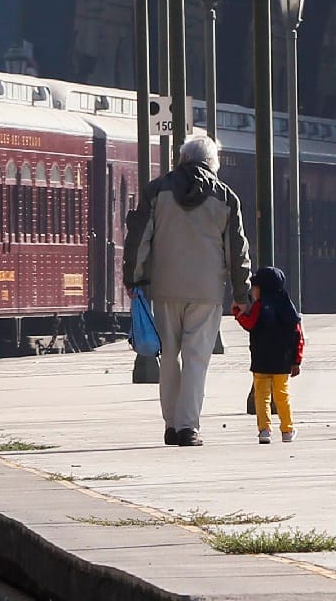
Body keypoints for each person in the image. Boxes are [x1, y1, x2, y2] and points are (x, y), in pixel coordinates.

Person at [123, 135, 252, 447]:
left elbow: (140, 238)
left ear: (181, 158)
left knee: (168, 356)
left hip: (165, 288)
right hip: (207, 291)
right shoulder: (225, 197)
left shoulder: (156, 191)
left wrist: (134, 278)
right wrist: (241, 293)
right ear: (213, 163)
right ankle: (188, 427)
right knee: (196, 359)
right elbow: (237, 250)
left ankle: (171, 424)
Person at [234, 267, 304, 444]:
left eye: (254, 287)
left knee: (262, 396)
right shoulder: (287, 306)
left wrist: (238, 313)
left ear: (262, 288)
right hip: (282, 361)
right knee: (282, 395)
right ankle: (287, 429)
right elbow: (298, 334)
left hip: (261, 360)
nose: (252, 291)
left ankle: (264, 430)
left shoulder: (259, 306)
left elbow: (249, 324)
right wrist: (296, 360)